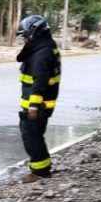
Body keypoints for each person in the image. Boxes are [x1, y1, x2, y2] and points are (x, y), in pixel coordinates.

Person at [15, 14, 62, 183]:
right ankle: (43, 166)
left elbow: (40, 81)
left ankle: (40, 171)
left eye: (26, 35)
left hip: (38, 105)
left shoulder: (42, 52)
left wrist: (34, 105)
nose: (24, 38)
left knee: (31, 135)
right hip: (41, 103)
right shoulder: (45, 46)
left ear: (35, 32)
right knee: (34, 135)